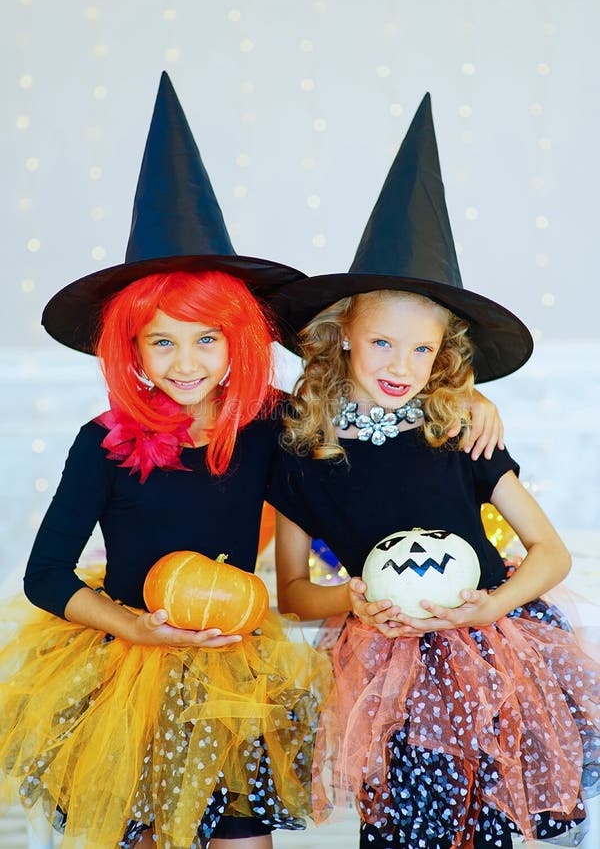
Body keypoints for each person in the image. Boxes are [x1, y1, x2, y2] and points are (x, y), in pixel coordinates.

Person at [0, 73, 334, 849]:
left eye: (206, 338)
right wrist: (136, 630)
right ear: (134, 348)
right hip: (130, 667)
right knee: (147, 834)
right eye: (163, 340)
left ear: (237, 341)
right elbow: (44, 575)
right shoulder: (103, 441)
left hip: (236, 671)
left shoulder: (269, 425)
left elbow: (348, 447)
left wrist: (466, 400)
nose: (187, 363)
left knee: (243, 839)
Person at [267, 95, 600, 848]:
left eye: (422, 351)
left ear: (444, 355)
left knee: (485, 827)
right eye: (383, 343)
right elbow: (291, 594)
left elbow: (551, 553)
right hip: (385, 669)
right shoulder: (301, 449)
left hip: (490, 654)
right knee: (403, 827)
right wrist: (350, 602)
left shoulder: (458, 431)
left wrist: (493, 606)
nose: (402, 366)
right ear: (341, 334)